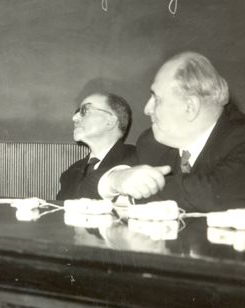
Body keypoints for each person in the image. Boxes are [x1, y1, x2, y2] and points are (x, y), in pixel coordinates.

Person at [97, 52, 245, 212]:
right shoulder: (151, 143)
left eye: (157, 99)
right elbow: (87, 185)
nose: (147, 109)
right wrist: (115, 180)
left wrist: (137, 192)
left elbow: (218, 194)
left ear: (190, 107)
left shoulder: (239, 137)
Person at [55, 92, 136, 200]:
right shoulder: (71, 173)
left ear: (110, 122)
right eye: (77, 112)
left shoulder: (138, 160)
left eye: (84, 110)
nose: (74, 118)